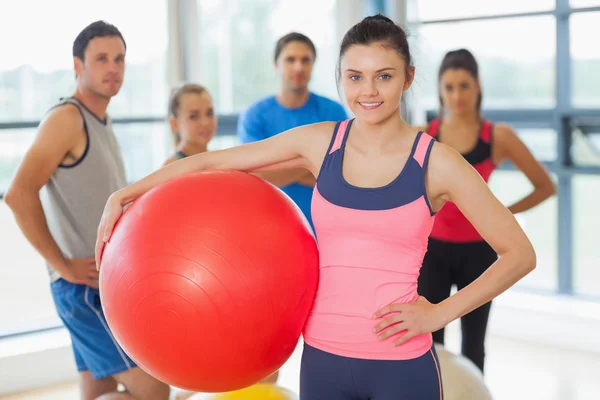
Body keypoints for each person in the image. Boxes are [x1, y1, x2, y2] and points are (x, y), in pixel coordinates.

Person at [96, 15, 536, 399]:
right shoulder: (320, 141)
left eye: (384, 76)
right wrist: (125, 194)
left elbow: (519, 253)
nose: (369, 91)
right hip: (323, 358)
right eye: (355, 76)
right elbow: (213, 161)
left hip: (402, 362)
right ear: (341, 77)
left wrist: (440, 313)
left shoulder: (438, 161)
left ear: (408, 77)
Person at [5, 21, 170, 400]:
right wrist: (62, 265)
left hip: (101, 284)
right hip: (83, 289)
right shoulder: (67, 118)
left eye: (119, 59)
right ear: (78, 67)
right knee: (155, 389)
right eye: (101, 59)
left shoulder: (101, 120)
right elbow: (18, 193)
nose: (113, 67)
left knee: (97, 389)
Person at [416, 48, 556, 374]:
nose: (456, 95)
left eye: (463, 85)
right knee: (429, 342)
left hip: (479, 254)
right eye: (448, 87)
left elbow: (545, 186)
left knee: (473, 344)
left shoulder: (497, 137)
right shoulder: (425, 135)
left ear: (477, 86)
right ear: (439, 90)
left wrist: (501, 213)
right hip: (432, 252)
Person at [237, 32, 348, 229]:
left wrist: (277, 166)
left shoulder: (333, 112)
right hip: (269, 226)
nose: (299, 67)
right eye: (290, 60)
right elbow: (255, 174)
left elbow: (343, 175)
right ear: (276, 65)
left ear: (313, 65)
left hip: (327, 229)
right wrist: (310, 165)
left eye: (305, 60)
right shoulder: (254, 116)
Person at [163, 83, 216, 167]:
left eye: (209, 113)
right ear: (175, 124)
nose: (205, 122)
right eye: (193, 116)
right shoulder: (171, 168)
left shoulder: (218, 161)